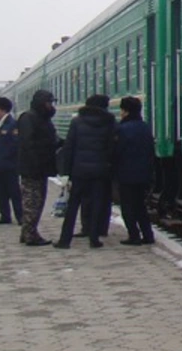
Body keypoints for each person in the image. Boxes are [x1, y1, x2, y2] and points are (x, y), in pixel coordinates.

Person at [55, 94, 116, 249]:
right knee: (96, 204)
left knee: (73, 205)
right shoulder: (108, 122)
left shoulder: (77, 122)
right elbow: (111, 148)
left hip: (79, 171)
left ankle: (64, 240)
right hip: (99, 171)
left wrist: (65, 172)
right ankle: (94, 239)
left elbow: (69, 148)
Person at [17, 90, 59, 246]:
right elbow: (28, 143)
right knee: (32, 202)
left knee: (37, 201)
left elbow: (50, 139)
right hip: (32, 168)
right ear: (42, 103)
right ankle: (30, 235)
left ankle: (27, 232)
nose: (51, 106)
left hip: (40, 167)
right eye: (49, 102)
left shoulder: (42, 118)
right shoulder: (29, 117)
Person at [113, 96, 155, 246]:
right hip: (143, 173)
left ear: (125, 111)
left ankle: (134, 235)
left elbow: (117, 151)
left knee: (128, 207)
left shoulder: (121, 129)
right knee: (140, 206)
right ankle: (148, 235)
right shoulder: (145, 127)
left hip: (126, 174)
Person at [0, 97, 23, 225]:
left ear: (4, 111)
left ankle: (20, 216)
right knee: (1, 192)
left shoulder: (12, 124)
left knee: (14, 192)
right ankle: (5, 215)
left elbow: (15, 145)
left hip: (10, 165)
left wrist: (8, 159)